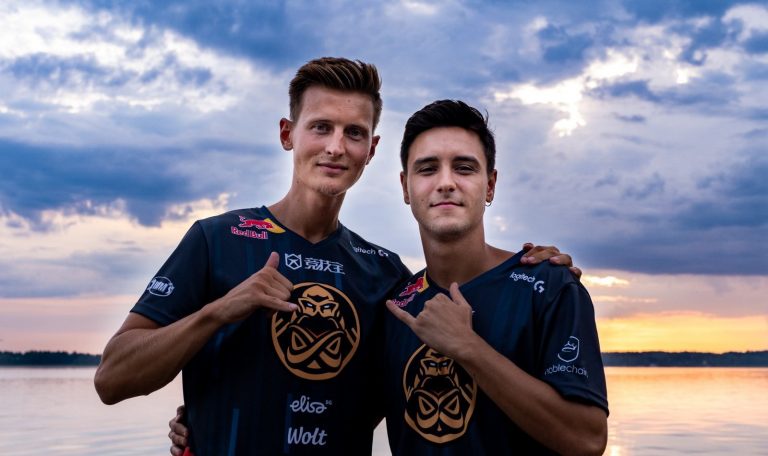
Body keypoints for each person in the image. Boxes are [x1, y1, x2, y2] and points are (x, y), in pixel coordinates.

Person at [96, 57, 576, 456]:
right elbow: (112, 379)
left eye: (354, 133)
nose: (335, 147)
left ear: (372, 149)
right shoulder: (217, 239)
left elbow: (397, 396)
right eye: (321, 127)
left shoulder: (386, 275)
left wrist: (525, 268)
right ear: (288, 133)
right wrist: (219, 311)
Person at [382, 100, 608, 455]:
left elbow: (587, 440)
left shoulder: (549, 287)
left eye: (464, 168)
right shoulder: (395, 306)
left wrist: (468, 347)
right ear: (405, 188)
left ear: (489, 185)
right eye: (427, 169)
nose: (446, 183)